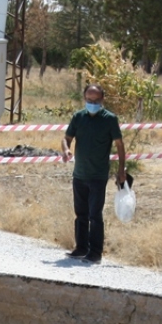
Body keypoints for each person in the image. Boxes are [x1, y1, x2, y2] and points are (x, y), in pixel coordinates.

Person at [61, 84, 126, 264]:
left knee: (95, 215)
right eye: (89, 100)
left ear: (102, 100)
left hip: (98, 175)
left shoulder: (110, 119)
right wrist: (66, 150)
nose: (92, 103)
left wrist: (121, 169)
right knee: (80, 213)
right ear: (84, 99)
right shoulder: (78, 117)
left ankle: (95, 252)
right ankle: (81, 247)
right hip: (79, 174)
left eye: (96, 100)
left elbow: (119, 145)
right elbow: (66, 139)